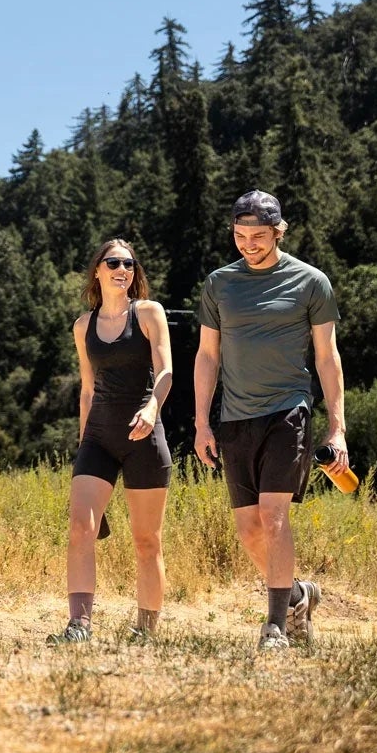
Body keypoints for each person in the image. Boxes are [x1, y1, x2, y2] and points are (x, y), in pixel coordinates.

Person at [192, 190, 349, 650]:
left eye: (258, 236)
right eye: (240, 236)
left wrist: (337, 427)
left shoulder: (310, 282)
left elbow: (327, 358)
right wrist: (202, 422)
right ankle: (299, 594)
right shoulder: (220, 284)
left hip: (288, 409)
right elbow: (206, 355)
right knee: (248, 530)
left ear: (279, 232)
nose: (248, 244)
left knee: (272, 513)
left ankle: (276, 626)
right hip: (235, 417)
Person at [48, 238, 174, 645]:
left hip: (144, 436)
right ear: (97, 271)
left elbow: (166, 370)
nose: (124, 269)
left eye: (130, 264)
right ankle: (79, 626)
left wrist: (153, 408)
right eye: (114, 262)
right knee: (80, 529)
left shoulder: (150, 313)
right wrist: (83, 447)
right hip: (98, 439)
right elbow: (87, 390)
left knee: (146, 540)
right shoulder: (83, 326)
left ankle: (145, 631)